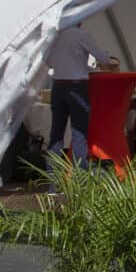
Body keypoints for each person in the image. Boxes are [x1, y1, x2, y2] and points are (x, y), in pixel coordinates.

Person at [45, 24, 109, 168]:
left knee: (56, 135)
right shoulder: (82, 35)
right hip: (76, 87)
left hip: (58, 86)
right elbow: (104, 59)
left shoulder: (53, 35)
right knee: (79, 133)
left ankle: (52, 183)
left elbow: (47, 61)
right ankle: (80, 179)